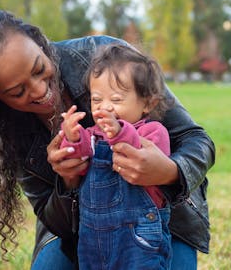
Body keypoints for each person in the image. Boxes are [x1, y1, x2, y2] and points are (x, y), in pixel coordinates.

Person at [0, 8, 215, 270]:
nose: (41, 91)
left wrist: (169, 171)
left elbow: (196, 140)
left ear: (40, 44)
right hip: (85, 232)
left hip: (161, 219)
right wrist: (68, 181)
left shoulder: (108, 58)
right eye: (18, 92)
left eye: (40, 69)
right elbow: (53, 219)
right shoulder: (3, 128)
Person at [60, 44, 174, 269]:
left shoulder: (152, 133)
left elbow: (140, 157)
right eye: (97, 99)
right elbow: (78, 164)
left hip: (138, 238)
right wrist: (72, 137)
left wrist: (119, 131)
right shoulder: (93, 134)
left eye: (116, 99)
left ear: (147, 103)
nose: (105, 107)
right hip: (92, 237)